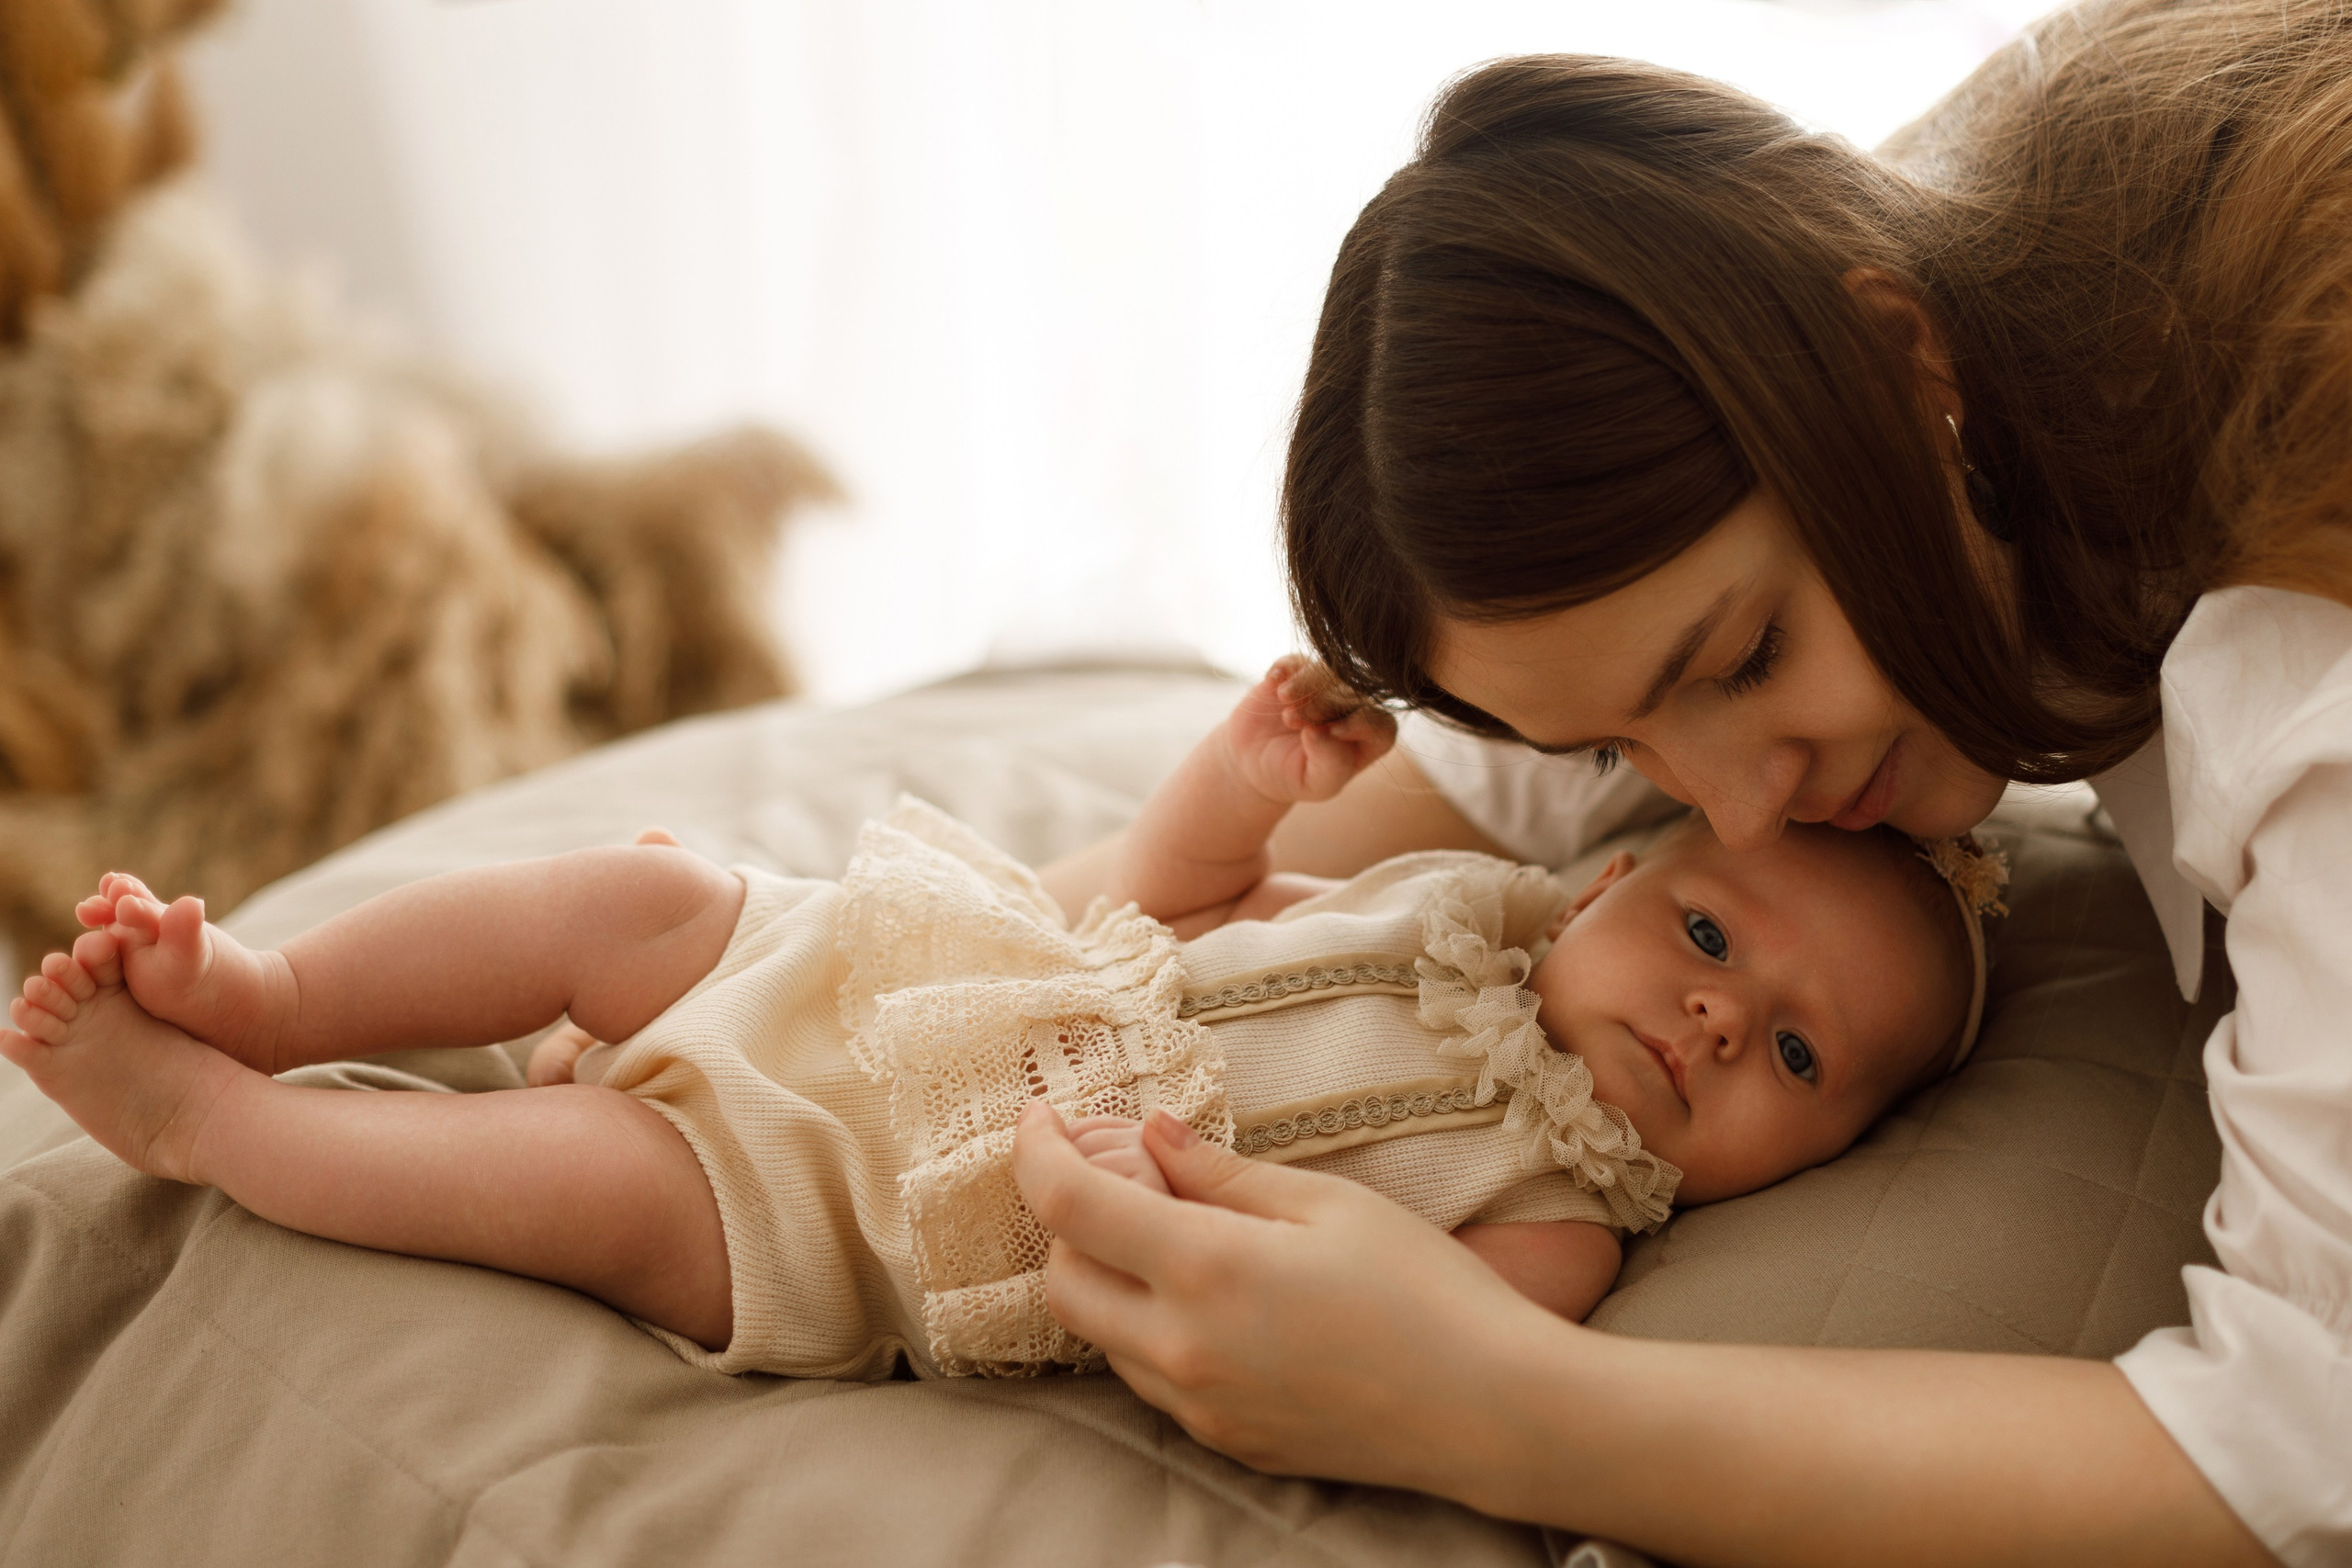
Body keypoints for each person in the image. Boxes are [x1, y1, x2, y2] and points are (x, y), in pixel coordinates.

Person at [1019, 6, 2349, 1564]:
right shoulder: (1916, 271)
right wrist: (845, 948)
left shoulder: (2306, 676)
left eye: (1744, 657)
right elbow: (1440, 798)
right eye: (1623, 748)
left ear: (1899, 364)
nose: (1730, 813)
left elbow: (2304, 1444)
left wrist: (1480, 1397)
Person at [0, 659, 1983, 1378]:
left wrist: (1160, 1193)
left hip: (868, 1203)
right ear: (1624, 875)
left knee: (587, 1179)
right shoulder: (1442, 907)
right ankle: (272, 992)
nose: (1721, 1021)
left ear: (1830, 1148)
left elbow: (1358, 1321)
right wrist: (1236, 778)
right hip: (870, 974)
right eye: (1714, 937)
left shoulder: (1556, 1210)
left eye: (1798, 1056)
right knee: (640, 893)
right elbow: (1171, 899)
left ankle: (216, 1125)